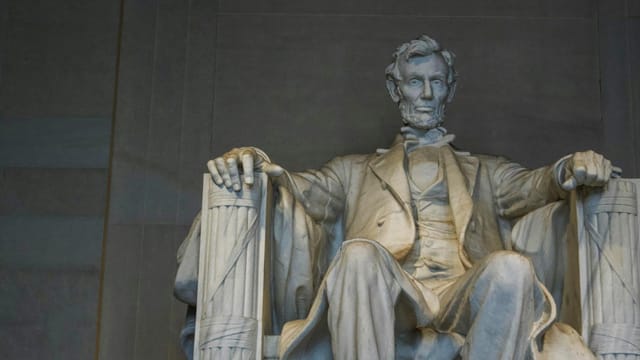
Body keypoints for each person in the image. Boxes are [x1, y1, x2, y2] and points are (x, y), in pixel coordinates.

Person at [201, 35, 615, 359]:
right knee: (359, 254)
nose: (427, 93)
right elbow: (296, 186)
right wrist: (252, 161)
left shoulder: (487, 172)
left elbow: (536, 185)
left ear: (450, 89)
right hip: (392, 295)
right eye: (415, 82)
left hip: (461, 292)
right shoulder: (353, 170)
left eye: (437, 82)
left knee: (512, 269)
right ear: (395, 88)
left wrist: (570, 167)